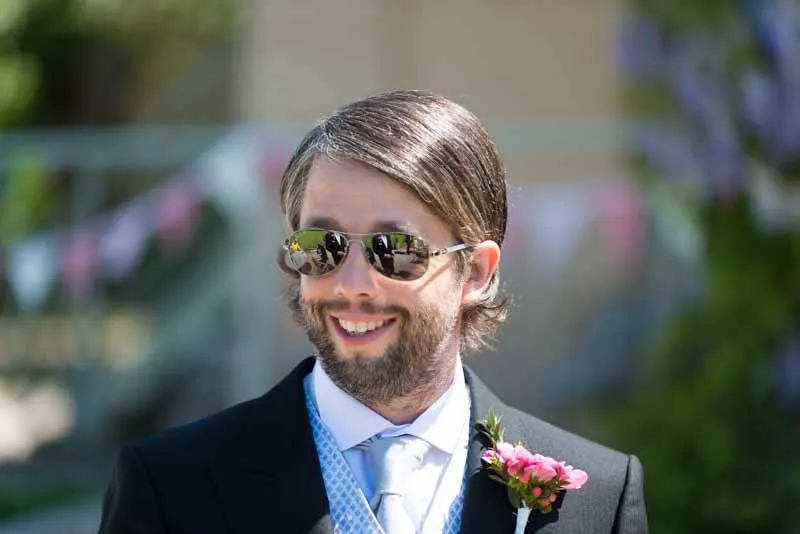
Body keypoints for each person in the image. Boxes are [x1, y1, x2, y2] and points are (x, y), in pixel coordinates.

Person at [98, 90, 648, 533]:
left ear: (476, 273)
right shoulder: (172, 487)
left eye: (397, 250)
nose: (353, 284)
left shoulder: (596, 496)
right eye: (323, 246)